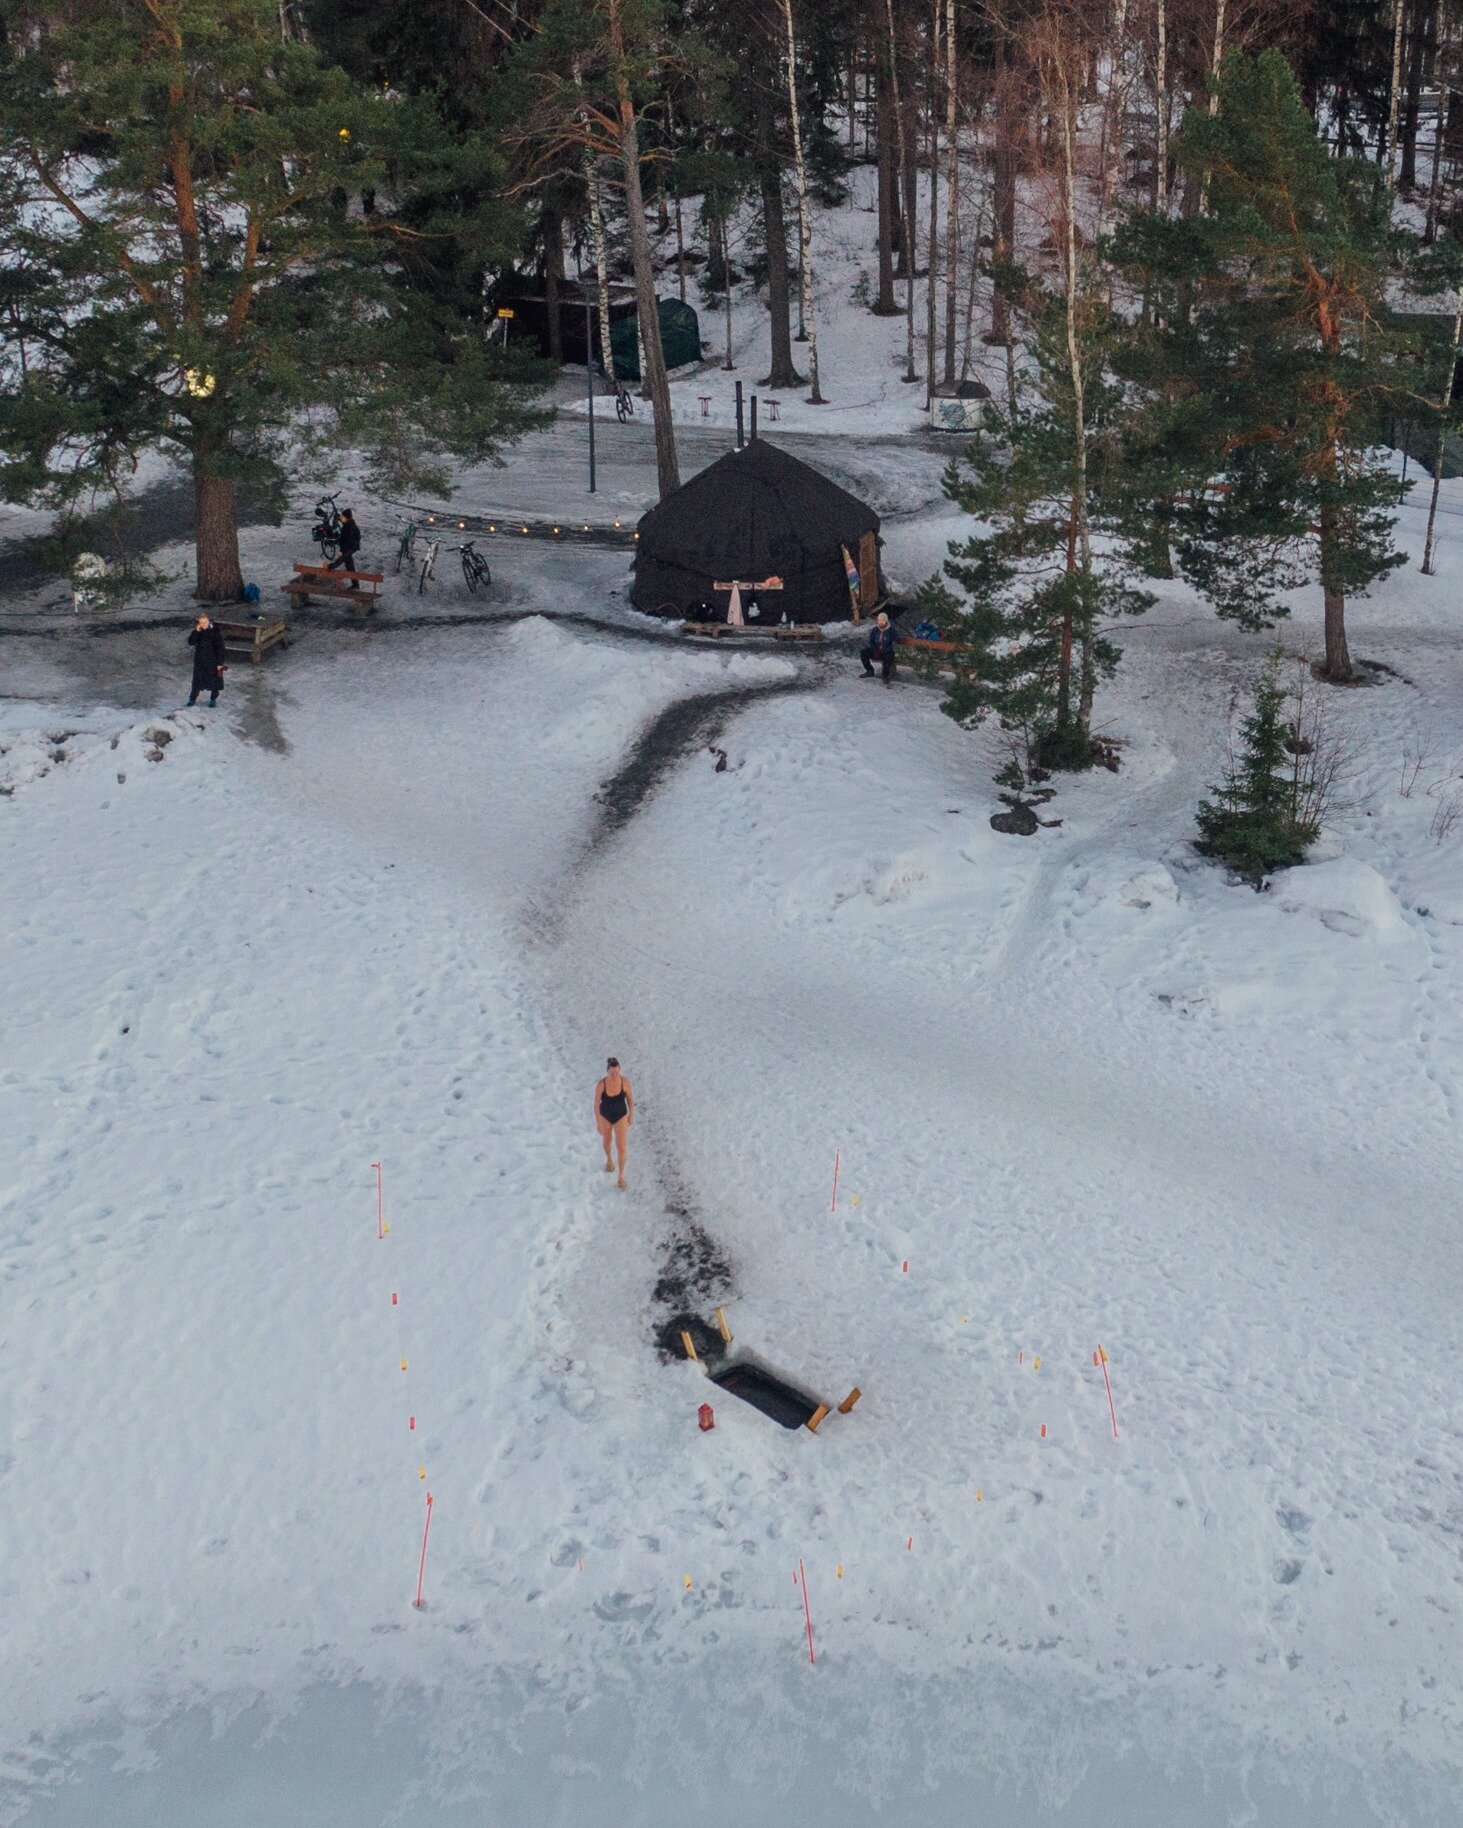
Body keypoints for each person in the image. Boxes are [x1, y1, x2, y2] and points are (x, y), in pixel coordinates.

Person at [594, 1057, 634, 1190]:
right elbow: (596, 1104)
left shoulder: (625, 1082)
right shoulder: (602, 1084)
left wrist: (631, 1115)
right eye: (612, 1073)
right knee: (607, 1141)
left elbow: (630, 1100)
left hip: (621, 1115)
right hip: (605, 1115)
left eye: (617, 1073)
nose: (615, 1075)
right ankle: (609, 1159)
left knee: (621, 1147)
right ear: (607, 1072)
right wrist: (598, 1122)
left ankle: (621, 1177)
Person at [187, 614, 228, 706]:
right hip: (200, 660)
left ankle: (213, 699)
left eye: (205, 622)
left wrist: (220, 662)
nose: (203, 624)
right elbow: (191, 642)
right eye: (201, 623)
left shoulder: (215, 632)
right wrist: (196, 632)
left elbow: (220, 648)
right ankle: (192, 698)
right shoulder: (198, 631)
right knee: (197, 680)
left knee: (215, 680)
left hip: (213, 660)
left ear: (208, 622)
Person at [329, 507, 362, 589]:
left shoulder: (349, 527)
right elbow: (344, 522)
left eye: (342, 517)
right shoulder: (348, 523)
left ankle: (330, 567)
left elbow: (348, 540)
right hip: (349, 547)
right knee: (350, 566)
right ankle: (355, 585)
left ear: (346, 517)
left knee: (342, 559)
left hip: (350, 547)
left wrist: (341, 551)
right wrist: (339, 517)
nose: (341, 518)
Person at [861, 610, 896, 684]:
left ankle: (885, 676)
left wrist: (889, 646)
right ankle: (870, 671)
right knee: (863, 652)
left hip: (886, 651)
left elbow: (896, 640)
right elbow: (871, 641)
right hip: (876, 650)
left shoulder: (891, 630)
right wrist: (874, 649)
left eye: (882, 621)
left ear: (886, 621)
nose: (880, 622)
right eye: (879, 621)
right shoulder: (875, 630)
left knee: (889, 657)